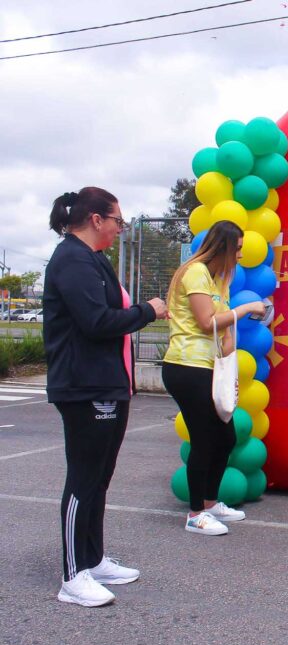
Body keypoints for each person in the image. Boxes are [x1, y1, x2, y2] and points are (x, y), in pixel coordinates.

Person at [45, 187, 169, 607]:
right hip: (84, 386)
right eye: (118, 220)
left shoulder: (94, 258)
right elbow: (96, 321)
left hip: (108, 383)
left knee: (100, 477)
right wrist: (148, 311)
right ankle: (72, 576)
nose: (121, 228)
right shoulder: (71, 259)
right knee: (83, 479)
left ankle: (92, 560)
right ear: (96, 219)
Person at [163, 221, 265, 536]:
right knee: (204, 440)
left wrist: (228, 363)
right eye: (237, 249)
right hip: (186, 366)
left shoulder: (218, 279)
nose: (240, 255)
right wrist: (246, 308)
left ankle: (209, 503)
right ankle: (196, 514)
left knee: (225, 438)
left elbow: (222, 331)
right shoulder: (195, 272)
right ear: (224, 247)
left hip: (209, 369)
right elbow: (207, 322)